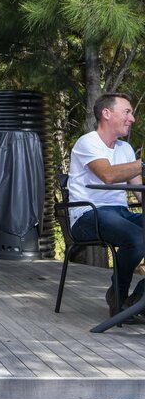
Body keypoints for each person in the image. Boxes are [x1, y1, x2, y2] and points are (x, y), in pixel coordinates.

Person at [68, 92, 144, 322]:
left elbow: (139, 193)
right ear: (107, 113)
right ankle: (118, 297)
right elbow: (108, 176)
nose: (132, 119)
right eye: (127, 112)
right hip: (87, 214)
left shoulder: (126, 150)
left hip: (120, 214)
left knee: (137, 233)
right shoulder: (88, 142)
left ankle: (139, 298)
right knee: (138, 238)